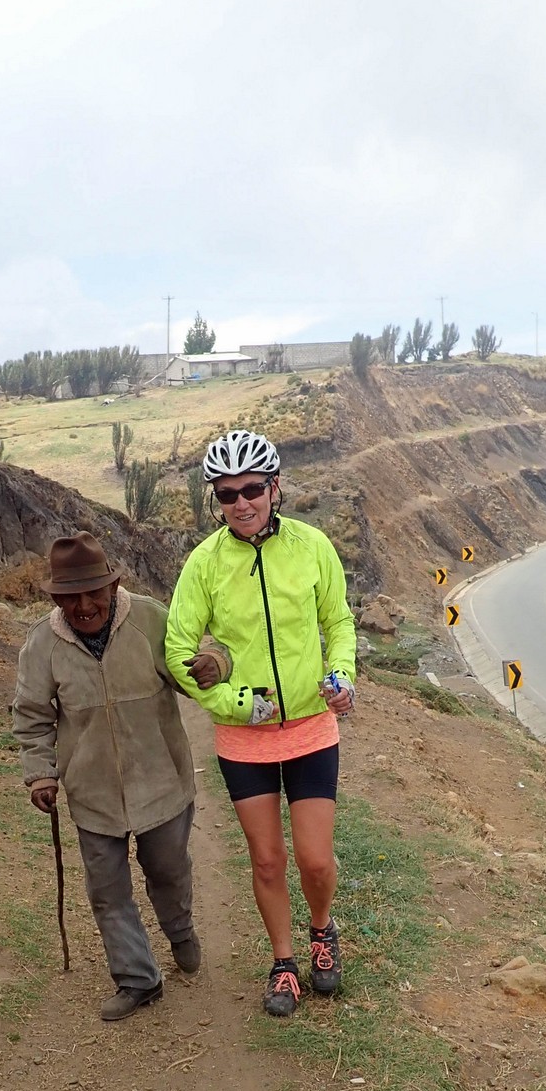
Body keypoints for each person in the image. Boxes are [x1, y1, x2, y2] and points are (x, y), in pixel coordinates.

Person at [165, 430, 356, 1018]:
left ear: (275, 488)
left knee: (315, 860)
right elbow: (177, 652)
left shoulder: (312, 546)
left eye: (251, 489)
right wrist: (234, 704)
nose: (241, 503)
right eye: (227, 495)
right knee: (268, 860)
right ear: (216, 500)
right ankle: (283, 962)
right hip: (244, 739)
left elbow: (339, 622)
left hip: (311, 728)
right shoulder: (205, 564)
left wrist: (342, 674)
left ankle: (322, 930)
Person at [13, 532, 226, 1021]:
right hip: (93, 794)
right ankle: (137, 979)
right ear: (56, 598)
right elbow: (31, 714)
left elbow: (201, 654)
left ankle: (180, 931)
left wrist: (215, 663)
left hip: (162, 783)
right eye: (71, 597)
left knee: (168, 872)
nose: (84, 606)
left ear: (113, 586)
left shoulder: (150, 619)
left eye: (94, 593)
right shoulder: (43, 643)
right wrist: (41, 773)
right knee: (107, 892)